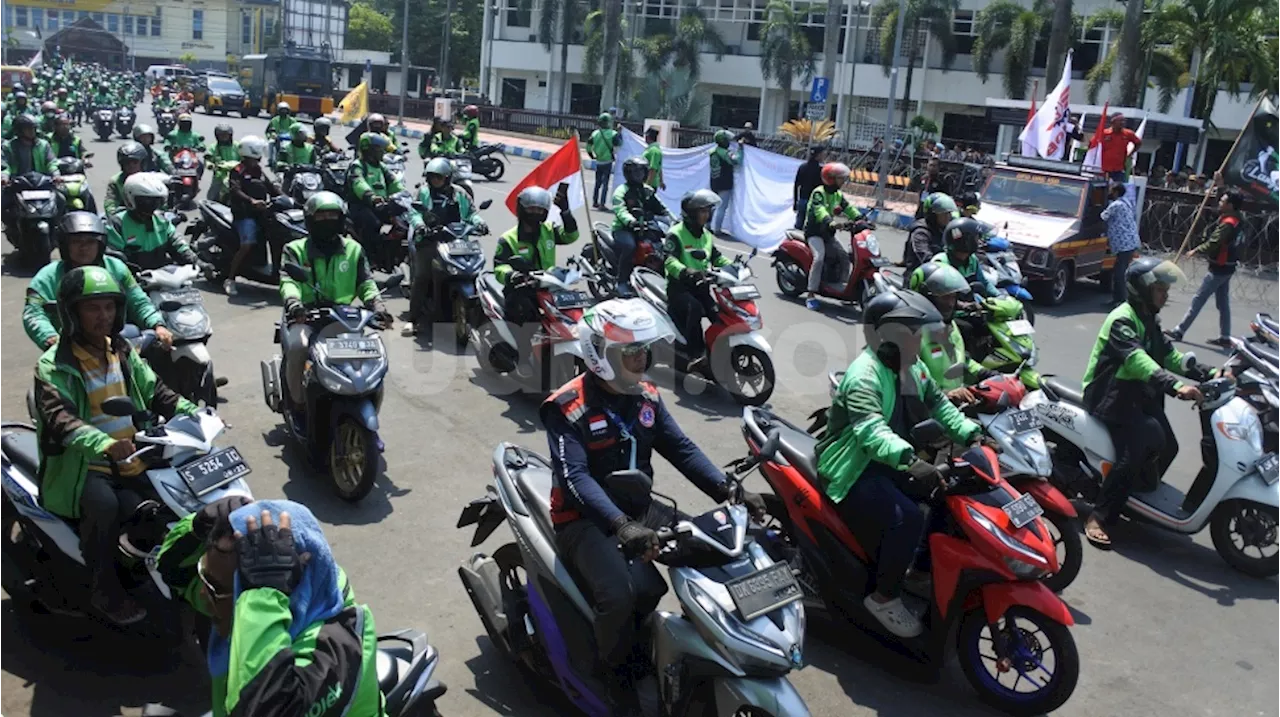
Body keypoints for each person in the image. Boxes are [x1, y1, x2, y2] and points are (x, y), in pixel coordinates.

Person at [542, 298, 763, 715]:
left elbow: (680, 448)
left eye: (643, 350)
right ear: (598, 354)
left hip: (639, 509)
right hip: (585, 519)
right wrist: (621, 525)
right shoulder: (566, 407)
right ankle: (614, 673)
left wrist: (728, 491)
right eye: (630, 352)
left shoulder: (645, 397)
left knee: (721, 549)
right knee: (623, 594)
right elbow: (575, 479)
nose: (641, 360)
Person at [33, 265, 197, 624]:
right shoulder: (52, 365)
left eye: (109, 307)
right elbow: (61, 421)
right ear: (71, 312)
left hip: (134, 454)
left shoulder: (121, 349)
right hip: (84, 466)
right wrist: (104, 444)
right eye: (93, 308)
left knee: (167, 506)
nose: (103, 316)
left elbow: (155, 391)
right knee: (105, 509)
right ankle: (103, 589)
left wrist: (194, 412)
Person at [816, 289, 982, 637]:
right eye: (911, 332)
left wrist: (972, 434)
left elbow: (939, 404)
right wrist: (911, 461)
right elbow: (871, 433)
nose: (919, 339)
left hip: (894, 458)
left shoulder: (913, 367)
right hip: (854, 465)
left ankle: (919, 571)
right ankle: (884, 596)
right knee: (906, 517)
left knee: (948, 497)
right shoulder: (865, 375)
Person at [185, 499, 383, 716]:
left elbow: (264, 708)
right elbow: (171, 573)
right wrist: (194, 529)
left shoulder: (339, 644)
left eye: (213, 587)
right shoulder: (230, 604)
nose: (203, 594)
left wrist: (263, 596)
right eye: (205, 579)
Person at [1081, 258, 1208, 547]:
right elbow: (1137, 361)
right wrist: (1175, 386)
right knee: (1135, 450)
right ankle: (1099, 516)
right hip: (1110, 393)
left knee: (1169, 445)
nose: (1165, 295)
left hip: (1135, 393)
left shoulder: (1149, 318)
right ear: (1142, 290)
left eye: (1165, 289)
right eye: (1160, 289)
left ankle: (1134, 498)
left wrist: (1206, 372)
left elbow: (1169, 356)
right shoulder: (1123, 319)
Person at [279, 192, 391, 421]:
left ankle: (369, 408)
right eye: (321, 216)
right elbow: (289, 282)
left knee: (372, 356)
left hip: (344, 317)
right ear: (310, 220)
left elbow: (365, 282)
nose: (327, 219)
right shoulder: (295, 249)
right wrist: (294, 304)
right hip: (307, 315)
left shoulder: (354, 249)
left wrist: (377, 305)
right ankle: (298, 403)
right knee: (298, 346)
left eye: (333, 215)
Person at [24, 212, 172, 350]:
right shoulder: (47, 277)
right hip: (68, 349)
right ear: (65, 245)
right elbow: (33, 313)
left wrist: (157, 324)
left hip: (115, 343)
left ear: (100, 245)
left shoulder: (117, 268)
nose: (84, 248)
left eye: (90, 242)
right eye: (76, 242)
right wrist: (50, 337)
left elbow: (138, 301)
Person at [494, 187, 579, 369]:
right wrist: (512, 275)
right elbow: (499, 266)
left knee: (571, 313)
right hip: (520, 288)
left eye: (540, 210)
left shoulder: (548, 230)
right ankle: (521, 357)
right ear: (522, 209)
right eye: (531, 209)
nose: (536, 213)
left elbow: (571, 236)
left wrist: (565, 211)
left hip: (548, 286)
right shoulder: (508, 238)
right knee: (526, 317)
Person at [403, 157, 485, 337]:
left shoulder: (460, 193)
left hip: (457, 240)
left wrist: (480, 224)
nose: (435, 181)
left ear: (448, 178)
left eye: (439, 178)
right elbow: (414, 212)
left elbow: (472, 213)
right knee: (423, 277)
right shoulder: (423, 193)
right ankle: (413, 319)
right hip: (430, 240)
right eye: (432, 177)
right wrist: (420, 225)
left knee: (474, 273)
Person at [1166, 188, 1243, 347]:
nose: (1220, 202)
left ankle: (1179, 330)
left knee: (1199, 299)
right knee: (1222, 303)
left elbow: (1215, 242)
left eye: (1223, 201)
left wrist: (1197, 250)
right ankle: (1225, 336)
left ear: (1231, 205)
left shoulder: (1228, 224)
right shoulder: (1237, 219)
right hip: (1228, 266)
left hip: (1219, 267)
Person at [663, 189, 730, 371]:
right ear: (691, 213)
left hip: (701, 286)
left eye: (708, 211)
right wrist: (686, 271)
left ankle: (719, 351)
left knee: (719, 314)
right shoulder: (676, 233)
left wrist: (734, 267)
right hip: (679, 288)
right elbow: (669, 260)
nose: (706, 215)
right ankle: (696, 354)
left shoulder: (706, 234)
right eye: (702, 211)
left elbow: (717, 258)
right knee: (696, 308)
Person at [909, 262, 997, 401]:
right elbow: (911, 388)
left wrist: (986, 374)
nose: (950, 303)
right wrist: (946, 395)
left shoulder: (951, 326)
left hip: (954, 406)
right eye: (944, 297)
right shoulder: (911, 335)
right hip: (927, 413)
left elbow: (960, 359)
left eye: (953, 296)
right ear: (925, 297)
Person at [106, 173, 208, 273]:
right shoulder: (117, 224)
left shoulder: (162, 221)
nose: (152, 206)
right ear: (130, 199)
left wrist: (197, 262)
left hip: (162, 280)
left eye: (156, 202)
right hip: (131, 282)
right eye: (147, 202)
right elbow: (114, 260)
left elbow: (178, 245)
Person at [802, 162, 870, 310]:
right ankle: (811, 294)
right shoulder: (818, 193)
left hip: (828, 234)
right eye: (841, 178)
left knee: (844, 257)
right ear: (831, 179)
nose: (843, 181)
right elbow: (820, 210)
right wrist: (830, 222)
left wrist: (862, 219)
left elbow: (849, 208)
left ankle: (842, 288)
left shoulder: (837, 194)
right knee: (819, 258)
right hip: (814, 233)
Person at [225, 135, 281, 296]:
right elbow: (235, 190)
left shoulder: (258, 170)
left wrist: (288, 198)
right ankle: (230, 279)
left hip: (261, 213)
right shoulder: (237, 171)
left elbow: (272, 188)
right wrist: (251, 201)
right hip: (244, 214)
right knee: (247, 244)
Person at [609, 156, 672, 293]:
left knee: (662, 247)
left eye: (642, 172)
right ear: (628, 174)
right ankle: (622, 281)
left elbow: (661, 207)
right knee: (629, 246)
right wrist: (630, 221)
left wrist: (674, 219)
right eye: (636, 172)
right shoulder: (622, 191)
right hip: (624, 229)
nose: (639, 175)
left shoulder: (647, 190)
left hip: (645, 227)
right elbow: (620, 209)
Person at [347, 132, 403, 250]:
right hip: (361, 205)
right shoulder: (357, 166)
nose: (382, 151)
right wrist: (371, 197)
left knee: (401, 223)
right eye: (378, 148)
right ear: (368, 149)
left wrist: (404, 196)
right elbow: (359, 183)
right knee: (373, 224)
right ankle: (369, 255)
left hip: (382, 205)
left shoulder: (382, 166)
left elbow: (394, 182)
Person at [932, 217, 996, 298]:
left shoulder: (972, 260)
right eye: (976, 238)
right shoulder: (942, 262)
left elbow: (984, 283)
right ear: (965, 240)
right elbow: (940, 295)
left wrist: (999, 296)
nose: (979, 242)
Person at [1099, 182, 1140, 308]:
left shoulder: (1116, 205)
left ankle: (1122, 301)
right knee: (1119, 271)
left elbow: (1102, 217)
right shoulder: (1126, 202)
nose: (1110, 192)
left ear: (1116, 192)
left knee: (1119, 273)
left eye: (1111, 190)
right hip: (1130, 241)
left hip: (1124, 244)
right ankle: (1117, 299)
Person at [902, 192, 958, 274]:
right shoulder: (921, 232)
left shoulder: (945, 230)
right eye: (943, 214)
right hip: (919, 277)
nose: (948, 217)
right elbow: (925, 257)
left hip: (942, 274)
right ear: (932, 215)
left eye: (949, 213)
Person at [708, 129, 740, 235]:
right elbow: (737, 161)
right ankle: (717, 229)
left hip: (714, 181)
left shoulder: (713, 151)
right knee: (721, 207)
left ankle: (707, 225)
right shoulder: (724, 153)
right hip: (724, 182)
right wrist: (741, 149)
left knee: (712, 205)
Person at [587, 112, 622, 210]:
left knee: (597, 183)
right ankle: (602, 204)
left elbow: (588, 146)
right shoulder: (613, 134)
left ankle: (595, 201)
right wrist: (619, 133)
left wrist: (591, 155)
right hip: (607, 162)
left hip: (598, 161)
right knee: (605, 184)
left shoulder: (595, 133)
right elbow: (619, 143)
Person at [104, 141, 147, 217]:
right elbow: (110, 203)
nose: (131, 165)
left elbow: (162, 203)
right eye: (127, 162)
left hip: (149, 217)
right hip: (124, 218)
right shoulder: (115, 181)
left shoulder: (151, 179)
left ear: (142, 162)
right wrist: (113, 215)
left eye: (135, 162)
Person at [1099, 113, 1142, 182]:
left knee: (1118, 190)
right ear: (1113, 122)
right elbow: (1093, 144)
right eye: (1120, 121)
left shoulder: (1128, 133)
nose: (1123, 123)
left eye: (1123, 121)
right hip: (1103, 169)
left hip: (1119, 170)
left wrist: (1130, 154)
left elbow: (1138, 143)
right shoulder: (1104, 133)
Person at [204, 124, 239, 203]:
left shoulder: (237, 146)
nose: (224, 137)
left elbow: (244, 157)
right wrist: (210, 165)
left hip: (236, 173)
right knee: (213, 194)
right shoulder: (213, 147)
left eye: (225, 135)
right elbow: (208, 158)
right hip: (219, 174)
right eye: (221, 135)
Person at [276, 126, 316, 195]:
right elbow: (279, 162)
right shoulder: (285, 147)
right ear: (294, 134)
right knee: (286, 187)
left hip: (308, 175)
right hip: (291, 174)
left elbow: (315, 162)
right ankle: (285, 197)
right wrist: (285, 166)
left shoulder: (311, 148)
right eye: (300, 134)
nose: (303, 136)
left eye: (304, 133)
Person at [792, 146, 824, 231]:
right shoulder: (820, 170)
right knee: (811, 229)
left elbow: (796, 185)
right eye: (822, 154)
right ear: (818, 155)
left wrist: (795, 201)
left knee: (798, 227)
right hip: (814, 202)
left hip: (802, 200)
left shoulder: (803, 167)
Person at [264, 102, 301, 168]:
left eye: (285, 110)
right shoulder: (274, 120)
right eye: (282, 110)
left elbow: (298, 129)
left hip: (290, 139)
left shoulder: (293, 120)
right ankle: (270, 160)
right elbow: (267, 131)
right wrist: (271, 136)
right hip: (277, 138)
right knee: (270, 143)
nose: (284, 112)